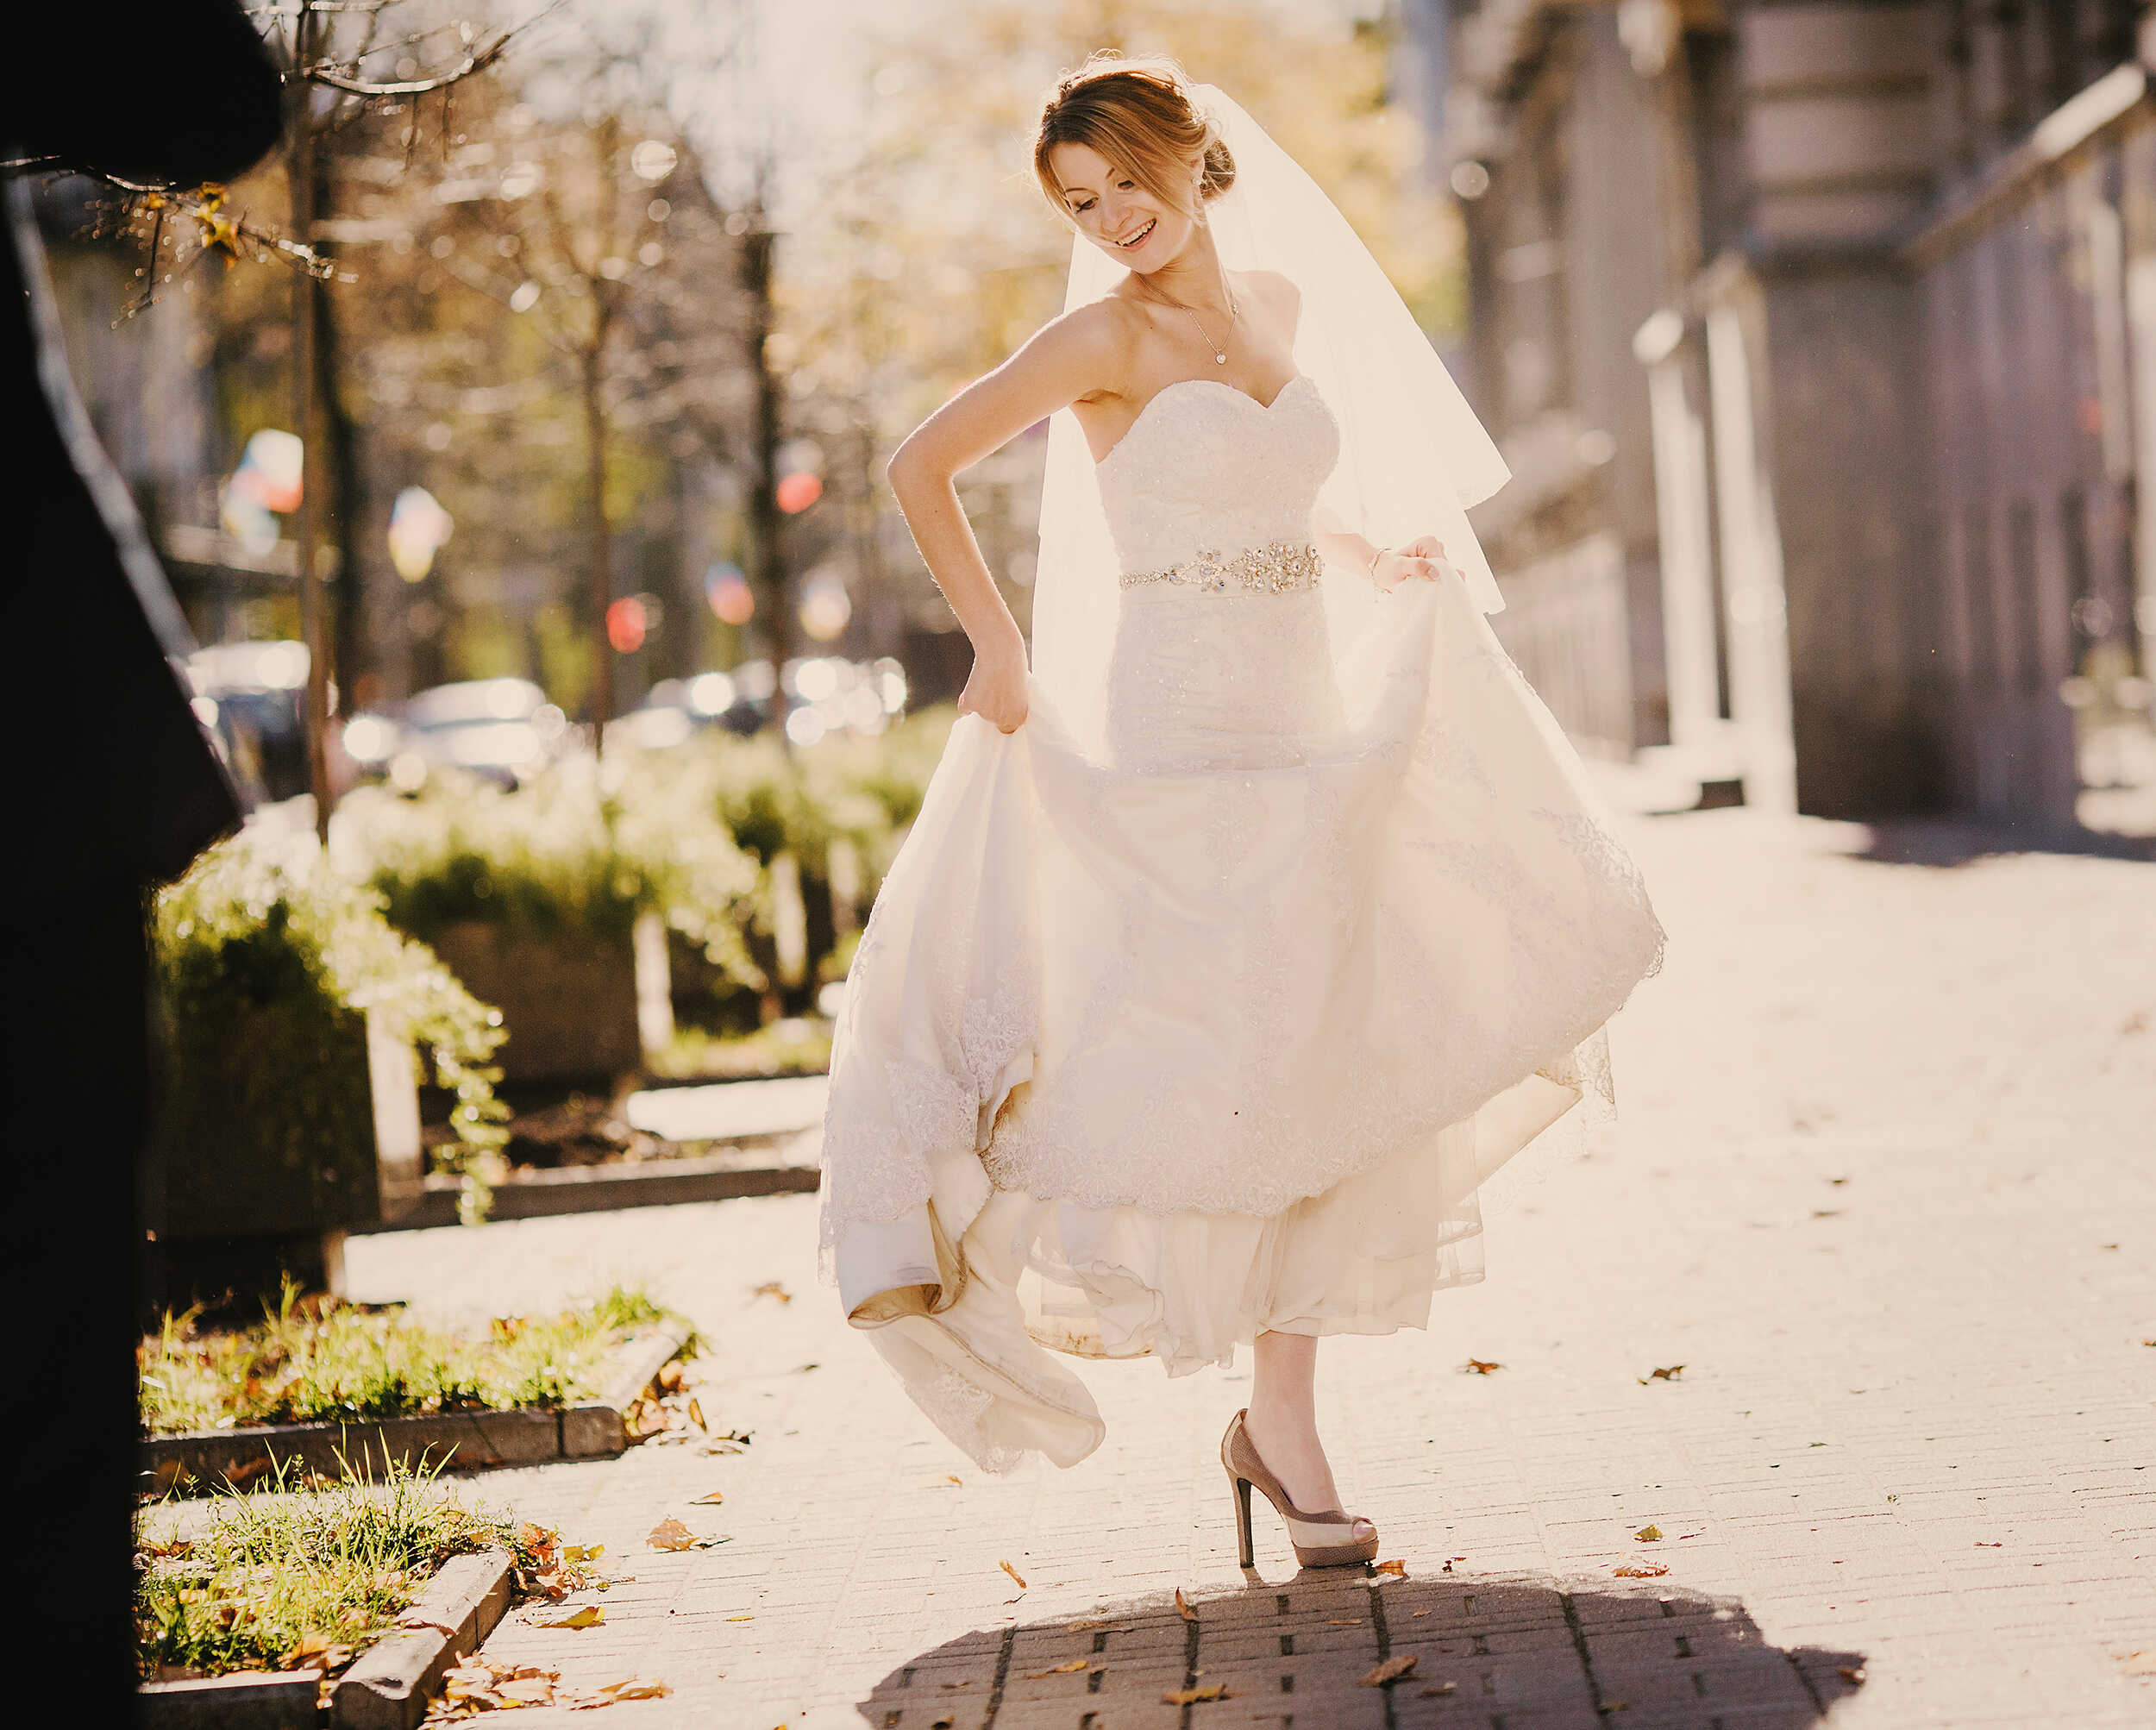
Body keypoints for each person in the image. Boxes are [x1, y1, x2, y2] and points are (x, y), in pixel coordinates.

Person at [818, 54, 1664, 1570]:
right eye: (1083, 200)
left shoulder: (1275, 301)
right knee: (1221, 1062)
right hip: (1179, 734)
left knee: (1322, 1055)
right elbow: (919, 463)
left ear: (1190, 160)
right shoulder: (1098, 337)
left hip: (1301, 717)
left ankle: (1278, 1420)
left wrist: (1366, 553)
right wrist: (999, 646)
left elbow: (1271, 491)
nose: (1115, 215)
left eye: (1128, 178)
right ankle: (1274, 1424)